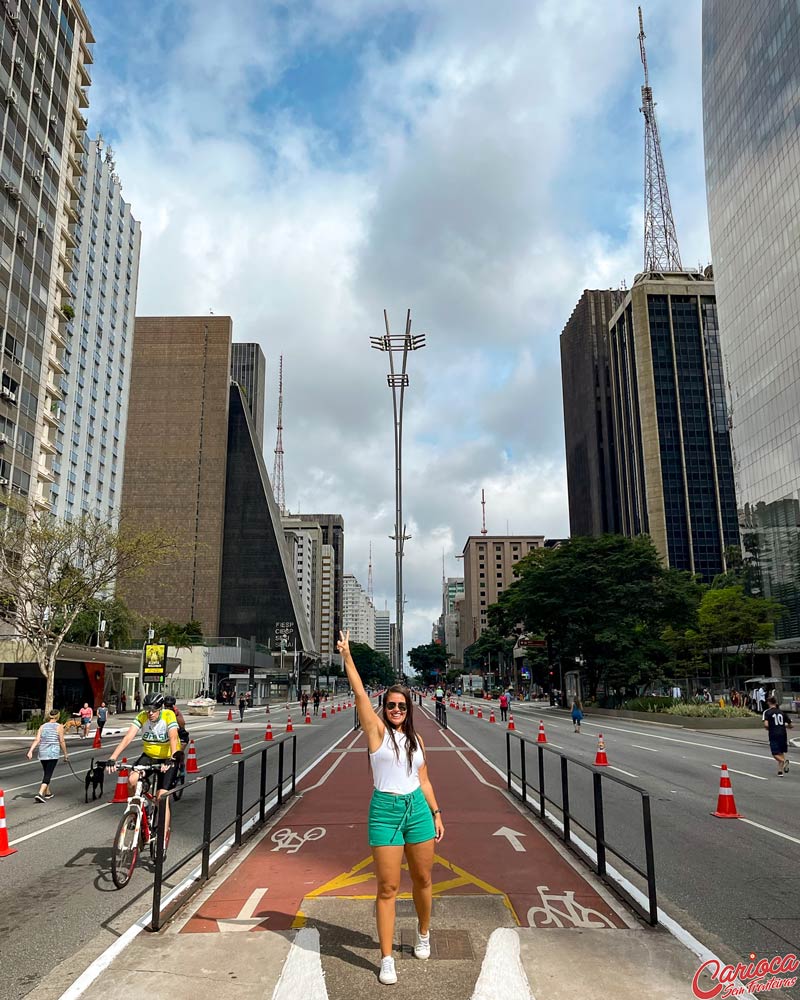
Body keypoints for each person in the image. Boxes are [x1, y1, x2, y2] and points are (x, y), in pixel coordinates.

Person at [338, 630, 443, 986]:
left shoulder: (417, 739)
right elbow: (358, 693)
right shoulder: (376, 733)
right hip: (384, 810)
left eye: (402, 706)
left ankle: (424, 932)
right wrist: (347, 656)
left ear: (409, 710)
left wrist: (437, 812)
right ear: (384, 708)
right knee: (387, 887)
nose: (396, 710)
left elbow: (424, 778)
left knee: (424, 879)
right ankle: (386, 958)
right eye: (391, 705)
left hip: (417, 808)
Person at [107, 692, 182, 845]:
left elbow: (173, 737)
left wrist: (172, 757)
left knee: (162, 796)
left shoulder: (168, 715)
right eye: (147, 709)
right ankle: (140, 810)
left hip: (168, 757)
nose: (150, 713)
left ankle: (161, 837)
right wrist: (113, 758)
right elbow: (128, 737)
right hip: (149, 755)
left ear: (160, 709)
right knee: (132, 779)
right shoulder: (142, 716)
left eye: (153, 710)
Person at [27, 709, 69, 802]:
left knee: (46, 772)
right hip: (52, 753)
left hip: (42, 752)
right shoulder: (59, 727)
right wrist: (65, 754)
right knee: (48, 774)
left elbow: (37, 740)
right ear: (57, 717)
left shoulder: (42, 726)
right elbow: (61, 741)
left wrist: (30, 751)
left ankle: (48, 792)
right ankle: (40, 793)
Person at [763, 695, 793, 776]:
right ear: (775, 703)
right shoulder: (782, 712)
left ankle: (783, 761)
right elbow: (790, 724)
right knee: (781, 751)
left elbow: (766, 725)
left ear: (769, 702)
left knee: (775, 753)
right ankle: (780, 771)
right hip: (783, 734)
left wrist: (769, 727)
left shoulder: (767, 712)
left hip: (774, 734)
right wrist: (785, 725)